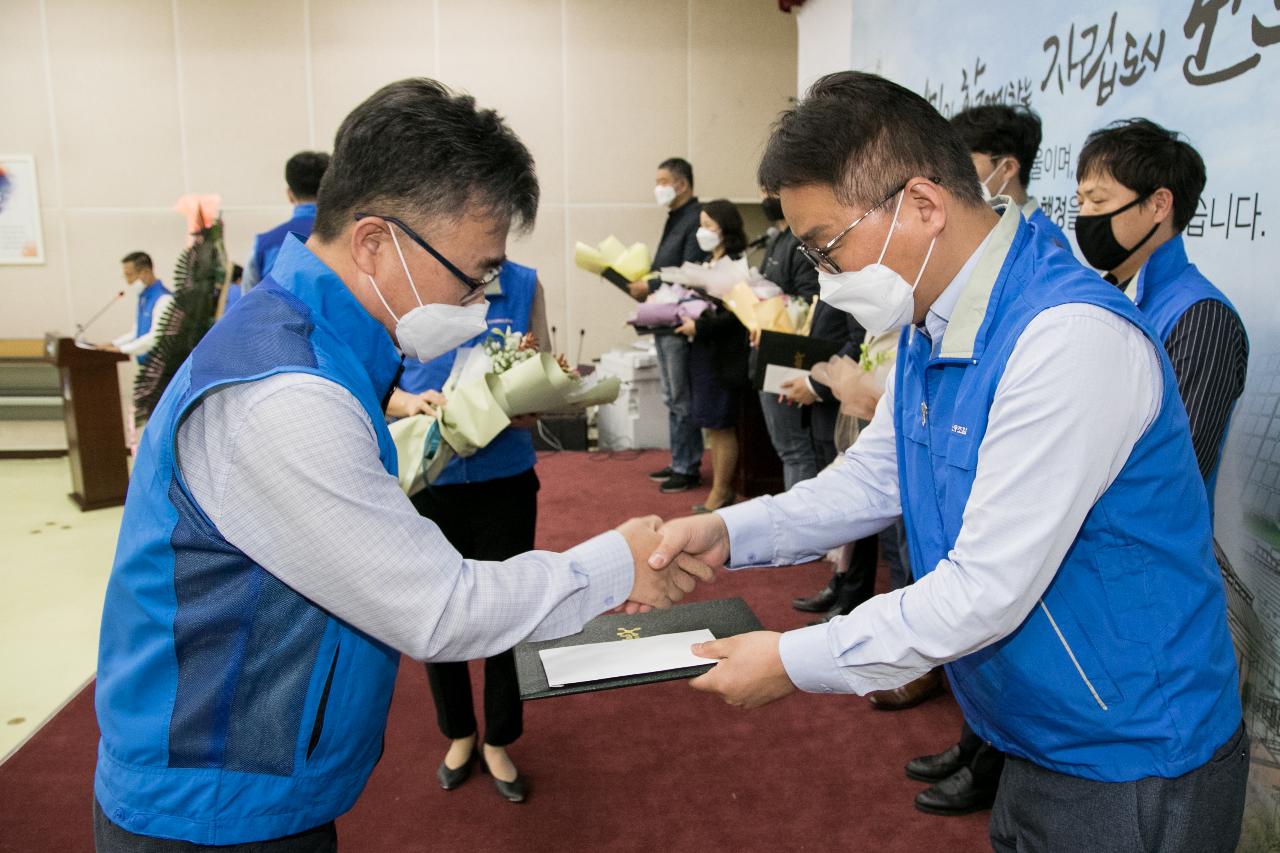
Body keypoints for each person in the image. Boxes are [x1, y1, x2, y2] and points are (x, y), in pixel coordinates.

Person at [92, 78, 712, 852]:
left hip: (252, 772)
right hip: (213, 800)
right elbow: (440, 608)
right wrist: (617, 566)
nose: (484, 301)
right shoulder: (283, 397)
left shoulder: (311, 339)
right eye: (473, 273)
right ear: (376, 243)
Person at [649, 71, 1247, 853]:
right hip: (1037, 728)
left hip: (1133, 748)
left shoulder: (1065, 337)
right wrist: (729, 532)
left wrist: (795, 660)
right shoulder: (934, 320)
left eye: (828, 246)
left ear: (924, 207)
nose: (824, 277)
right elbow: (875, 479)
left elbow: (984, 589)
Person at [385, 258, 552, 805]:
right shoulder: (409, 276)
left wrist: (530, 404)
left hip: (503, 476)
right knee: (440, 611)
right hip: (429, 476)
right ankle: (459, 731)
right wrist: (409, 402)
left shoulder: (524, 284)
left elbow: (543, 369)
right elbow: (372, 380)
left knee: (507, 610)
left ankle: (500, 738)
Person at [1075, 118, 1248, 511]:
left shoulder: (1203, 317)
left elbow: (1175, 473)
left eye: (1098, 201)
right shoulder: (1098, 299)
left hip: (1143, 561)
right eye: (1080, 201)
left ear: (1158, 204)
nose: (1084, 216)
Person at [674, 200, 750, 513]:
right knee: (712, 425)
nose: (702, 232)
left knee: (722, 423)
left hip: (723, 352)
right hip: (703, 352)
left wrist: (700, 326)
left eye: (709, 226)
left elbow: (735, 315)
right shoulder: (708, 260)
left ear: (725, 228)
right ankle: (721, 489)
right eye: (701, 225)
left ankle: (720, 492)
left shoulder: (735, 263)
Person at [641, 157, 708, 494]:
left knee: (681, 396)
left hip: (680, 319)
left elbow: (687, 272)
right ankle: (680, 456)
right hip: (664, 318)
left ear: (682, 184)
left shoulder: (695, 218)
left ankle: (688, 465)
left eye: (663, 180)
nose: (658, 188)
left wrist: (650, 286)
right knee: (672, 395)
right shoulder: (675, 217)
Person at [755, 193, 823, 490]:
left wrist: (772, 310)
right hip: (770, 348)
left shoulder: (799, 243)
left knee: (796, 451)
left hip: (790, 353)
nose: (764, 197)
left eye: (770, 190)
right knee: (787, 450)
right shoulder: (777, 238)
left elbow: (808, 300)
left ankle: (801, 530)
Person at [949, 104, 1069, 249]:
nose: (956, 172)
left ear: (1007, 168)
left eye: (966, 162)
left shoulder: (1047, 243)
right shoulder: (981, 227)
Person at [240, 150, 330, 293]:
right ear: (330, 191)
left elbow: (248, 303)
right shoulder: (349, 237)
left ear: (290, 194)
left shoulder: (263, 244)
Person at [104, 251, 172, 364]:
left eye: (130, 275)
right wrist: (113, 345)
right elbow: (137, 332)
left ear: (146, 272)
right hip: (146, 365)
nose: (128, 281)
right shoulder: (144, 298)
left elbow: (155, 337)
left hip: (161, 367)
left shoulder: (164, 299)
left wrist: (121, 349)